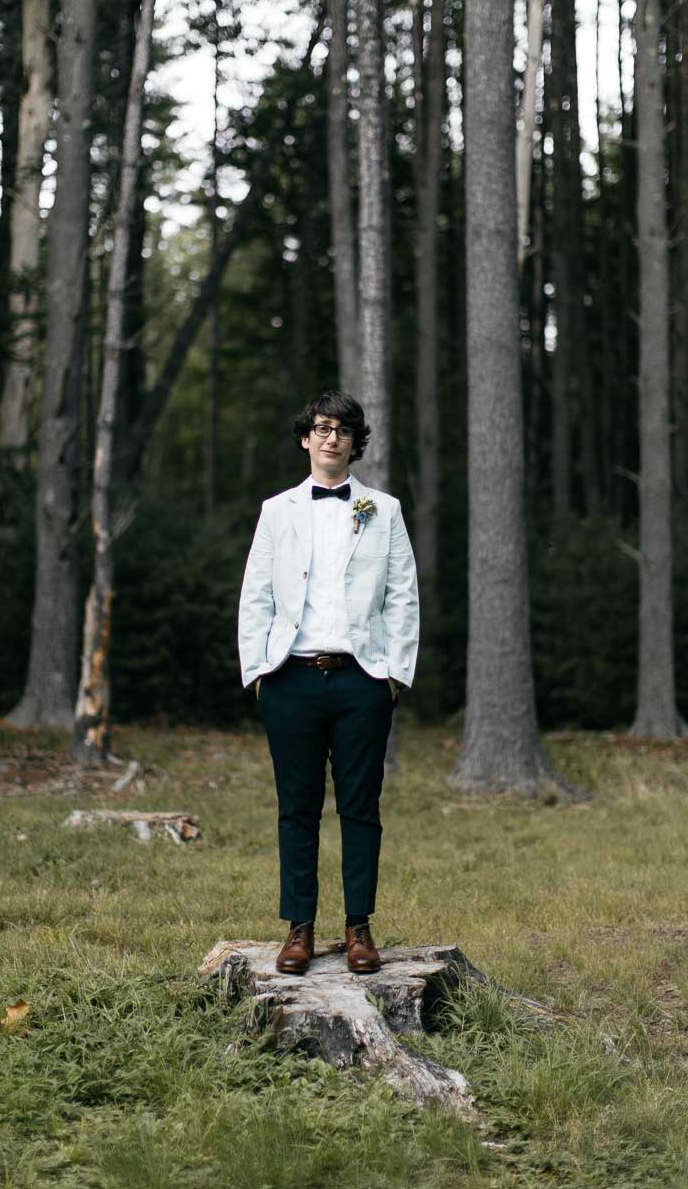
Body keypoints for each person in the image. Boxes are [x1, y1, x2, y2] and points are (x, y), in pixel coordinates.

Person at [236, 392, 418, 976]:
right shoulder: (277, 510)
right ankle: (298, 929)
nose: (331, 438)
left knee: (361, 809)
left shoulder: (382, 510)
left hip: (362, 679)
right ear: (305, 438)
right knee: (298, 808)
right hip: (290, 678)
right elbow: (256, 595)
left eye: (342, 430)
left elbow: (403, 596)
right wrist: (260, 672)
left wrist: (392, 675)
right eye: (321, 428)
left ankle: (359, 928)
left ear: (355, 441)